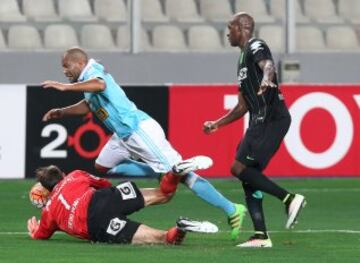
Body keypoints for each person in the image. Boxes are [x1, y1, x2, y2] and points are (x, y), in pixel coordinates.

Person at [41, 47, 246, 240]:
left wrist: (66, 87)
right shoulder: (86, 81)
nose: (64, 71)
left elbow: (100, 84)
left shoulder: (93, 71)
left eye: (67, 66)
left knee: (182, 176)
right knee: (101, 165)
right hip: (122, 138)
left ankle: (232, 209)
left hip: (138, 131)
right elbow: (88, 105)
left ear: (80, 62)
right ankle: (156, 166)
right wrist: (62, 111)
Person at [203, 12, 306, 248]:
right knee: (249, 177)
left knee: (238, 167)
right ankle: (261, 236)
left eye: (230, 27)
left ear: (242, 27)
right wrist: (217, 123)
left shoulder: (255, 45)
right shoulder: (241, 60)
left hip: (270, 117)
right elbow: (242, 106)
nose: (228, 32)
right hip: (259, 119)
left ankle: (289, 198)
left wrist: (267, 77)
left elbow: (268, 65)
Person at [27, 165, 216, 245]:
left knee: (163, 238)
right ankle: (175, 172)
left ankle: (180, 227)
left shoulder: (49, 211)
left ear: (46, 189)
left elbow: (41, 235)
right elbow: (105, 184)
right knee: (164, 194)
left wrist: (35, 231)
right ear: (62, 174)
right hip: (104, 198)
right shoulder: (75, 175)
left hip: (96, 224)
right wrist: (116, 197)